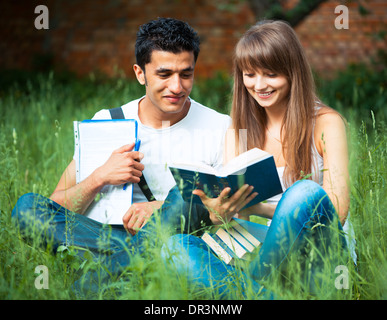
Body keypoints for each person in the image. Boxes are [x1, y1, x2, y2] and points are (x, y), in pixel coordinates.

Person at [11, 18, 231, 280]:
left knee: (186, 192)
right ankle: (137, 267)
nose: (177, 87)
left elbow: (228, 212)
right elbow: (56, 206)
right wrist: (99, 177)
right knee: (27, 208)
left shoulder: (220, 127)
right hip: (104, 237)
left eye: (186, 74)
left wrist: (161, 208)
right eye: (164, 74)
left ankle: (98, 280)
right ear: (140, 73)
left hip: (180, 241)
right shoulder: (107, 121)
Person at [162, 20, 356, 299]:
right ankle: (266, 294)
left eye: (271, 74)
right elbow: (236, 224)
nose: (259, 85)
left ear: (293, 72)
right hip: (264, 249)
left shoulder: (327, 123)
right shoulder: (238, 130)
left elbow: (337, 209)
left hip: (320, 252)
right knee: (175, 247)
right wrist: (222, 211)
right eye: (250, 74)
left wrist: (262, 208)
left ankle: (251, 286)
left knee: (303, 193)